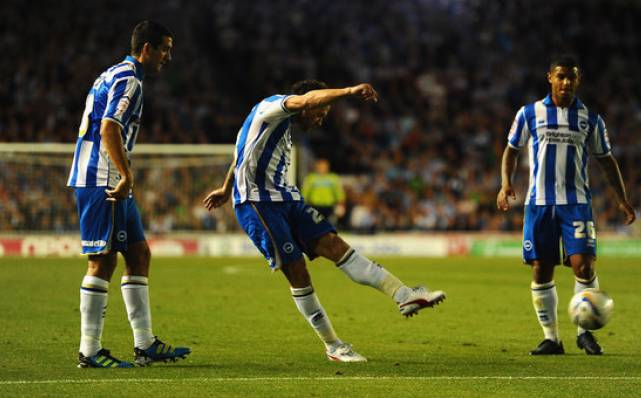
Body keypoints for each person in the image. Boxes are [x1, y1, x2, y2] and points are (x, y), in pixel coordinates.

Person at [204, 80, 445, 362]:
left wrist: (224, 186)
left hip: (287, 199)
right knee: (297, 272)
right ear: (307, 100)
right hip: (258, 205)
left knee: (335, 244)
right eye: (321, 111)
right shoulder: (271, 106)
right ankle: (333, 346)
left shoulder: (280, 130)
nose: (321, 118)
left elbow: (240, 156)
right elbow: (305, 102)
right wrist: (349, 92)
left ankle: (403, 294)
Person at [67, 20, 190, 368]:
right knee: (102, 261)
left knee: (138, 254)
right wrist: (126, 174)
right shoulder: (130, 80)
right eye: (164, 49)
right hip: (102, 179)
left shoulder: (112, 73)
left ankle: (145, 343)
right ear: (147, 48)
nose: (168, 56)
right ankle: (89, 351)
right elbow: (109, 127)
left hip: (108, 178)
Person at [496, 55, 636, 356]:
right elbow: (511, 151)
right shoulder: (529, 113)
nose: (566, 82)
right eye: (560, 76)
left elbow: (606, 160)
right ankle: (552, 339)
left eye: (571, 77)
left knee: (583, 265)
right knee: (541, 269)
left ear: (578, 80)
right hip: (539, 204)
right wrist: (505, 183)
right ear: (550, 78)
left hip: (576, 204)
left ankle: (585, 332)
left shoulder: (589, 118)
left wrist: (621, 199)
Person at [302, 158, 346, 224]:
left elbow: (339, 193)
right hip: (315, 206)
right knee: (316, 225)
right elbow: (304, 193)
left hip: (329, 207)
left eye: (324, 166)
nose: (322, 168)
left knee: (329, 225)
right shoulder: (311, 178)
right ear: (317, 167)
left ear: (328, 167)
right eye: (320, 166)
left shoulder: (333, 178)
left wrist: (341, 205)